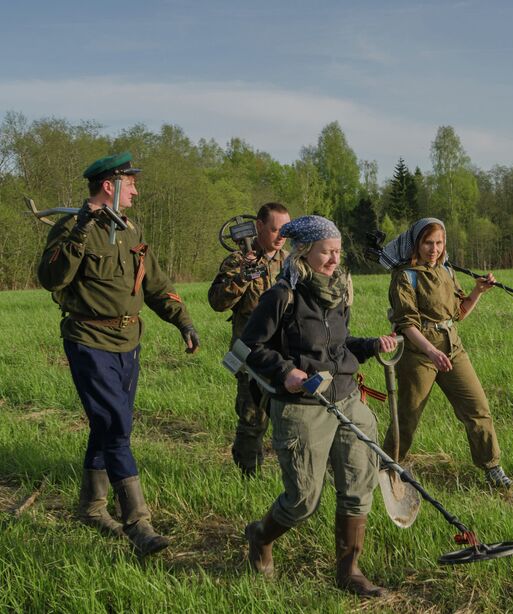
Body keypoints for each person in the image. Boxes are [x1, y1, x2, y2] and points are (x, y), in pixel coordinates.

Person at [37, 152, 200, 556]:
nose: (137, 190)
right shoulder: (71, 227)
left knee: (107, 424)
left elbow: (156, 284)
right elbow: (50, 277)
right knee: (115, 423)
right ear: (109, 186)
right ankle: (138, 523)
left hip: (129, 342)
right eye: (131, 183)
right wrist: (79, 232)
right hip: (89, 340)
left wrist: (183, 321)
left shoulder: (131, 230)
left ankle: (92, 507)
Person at [239, 215, 397, 597]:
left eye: (338, 252)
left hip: (345, 397)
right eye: (327, 252)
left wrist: (372, 345)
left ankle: (349, 571)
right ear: (305, 252)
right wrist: (285, 372)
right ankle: (260, 536)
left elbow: (337, 349)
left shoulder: (339, 291)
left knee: (358, 486)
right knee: (302, 501)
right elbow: (248, 348)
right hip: (302, 405)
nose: (334, 259)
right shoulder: (282, 295)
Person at [379, 218, 513, 488]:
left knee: (477, 408)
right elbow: (407, 324)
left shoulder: (447, 272)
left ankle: (492, 467)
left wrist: (478, 291)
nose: (434, 248)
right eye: (428, 242)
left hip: (452, 347)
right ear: (417, 243)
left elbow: (458, 313)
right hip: (419, 352)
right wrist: (431, 352)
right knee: (407, 416)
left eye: (439, 243)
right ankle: (385, 467)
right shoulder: (405, 276)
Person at [208, 202, 290, 475]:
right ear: (259, 227)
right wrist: (243, 276)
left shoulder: (290, 261)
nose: (281, 237)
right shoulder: (238, 260)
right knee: (252, 420)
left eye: (286, 231)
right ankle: (248, 476)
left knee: (289, 418)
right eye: (276, 229)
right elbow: (217, 302)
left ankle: (290, 474)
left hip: (284, 355)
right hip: (249, 357)